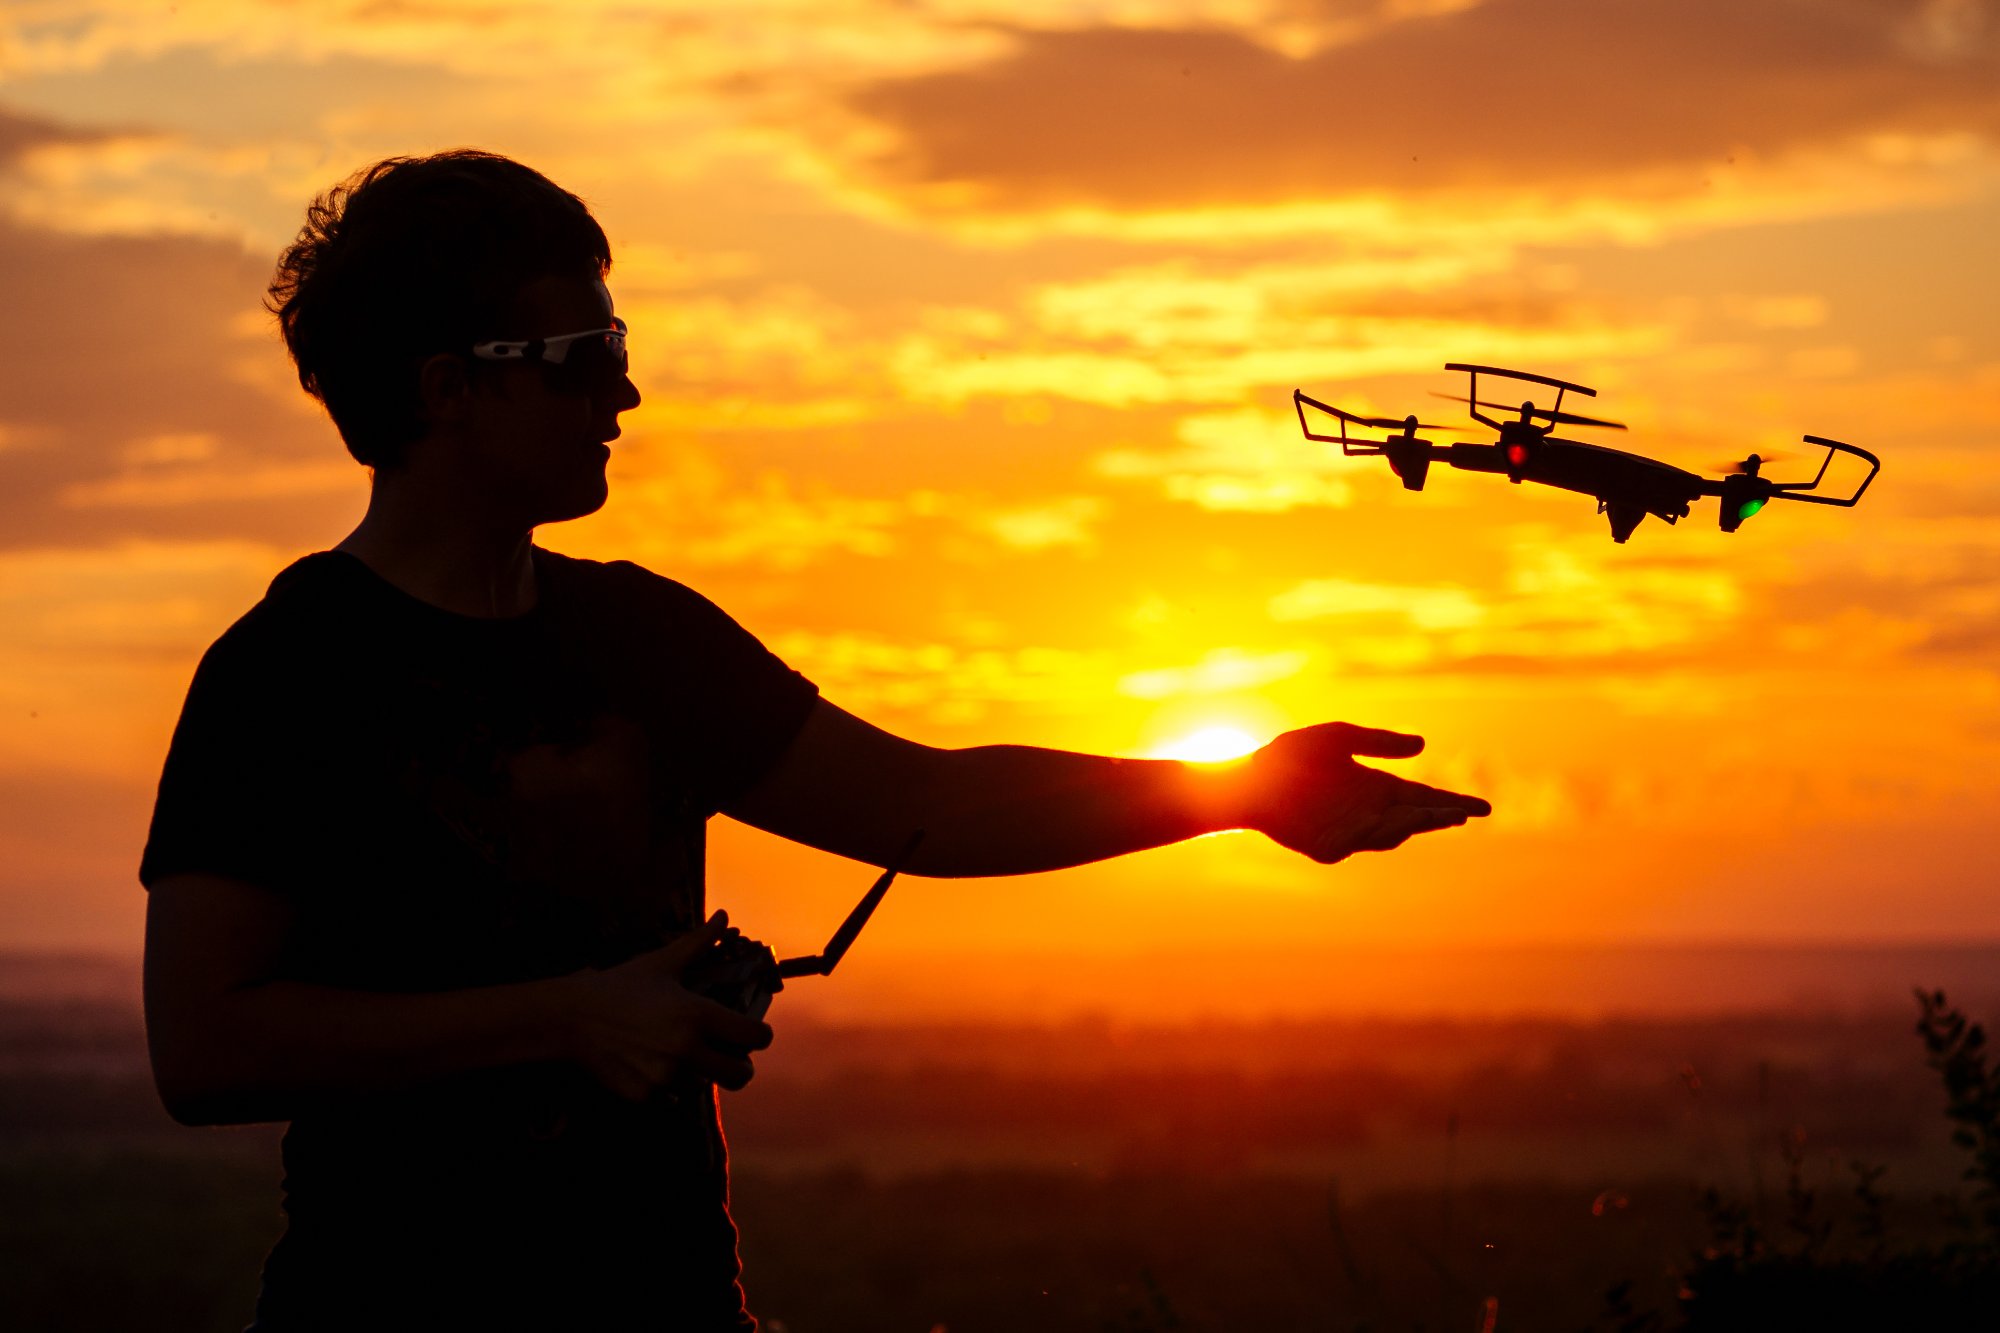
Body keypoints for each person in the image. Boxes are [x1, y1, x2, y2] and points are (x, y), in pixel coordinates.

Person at [140, 150, 1491, 1332]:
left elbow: (928, 804)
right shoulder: (287, 675)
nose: (629, 396)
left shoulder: (645, 637)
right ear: (450, 389)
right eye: (587, 360)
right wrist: (569, 1014)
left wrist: (1240, 791)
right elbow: (206, 1048)